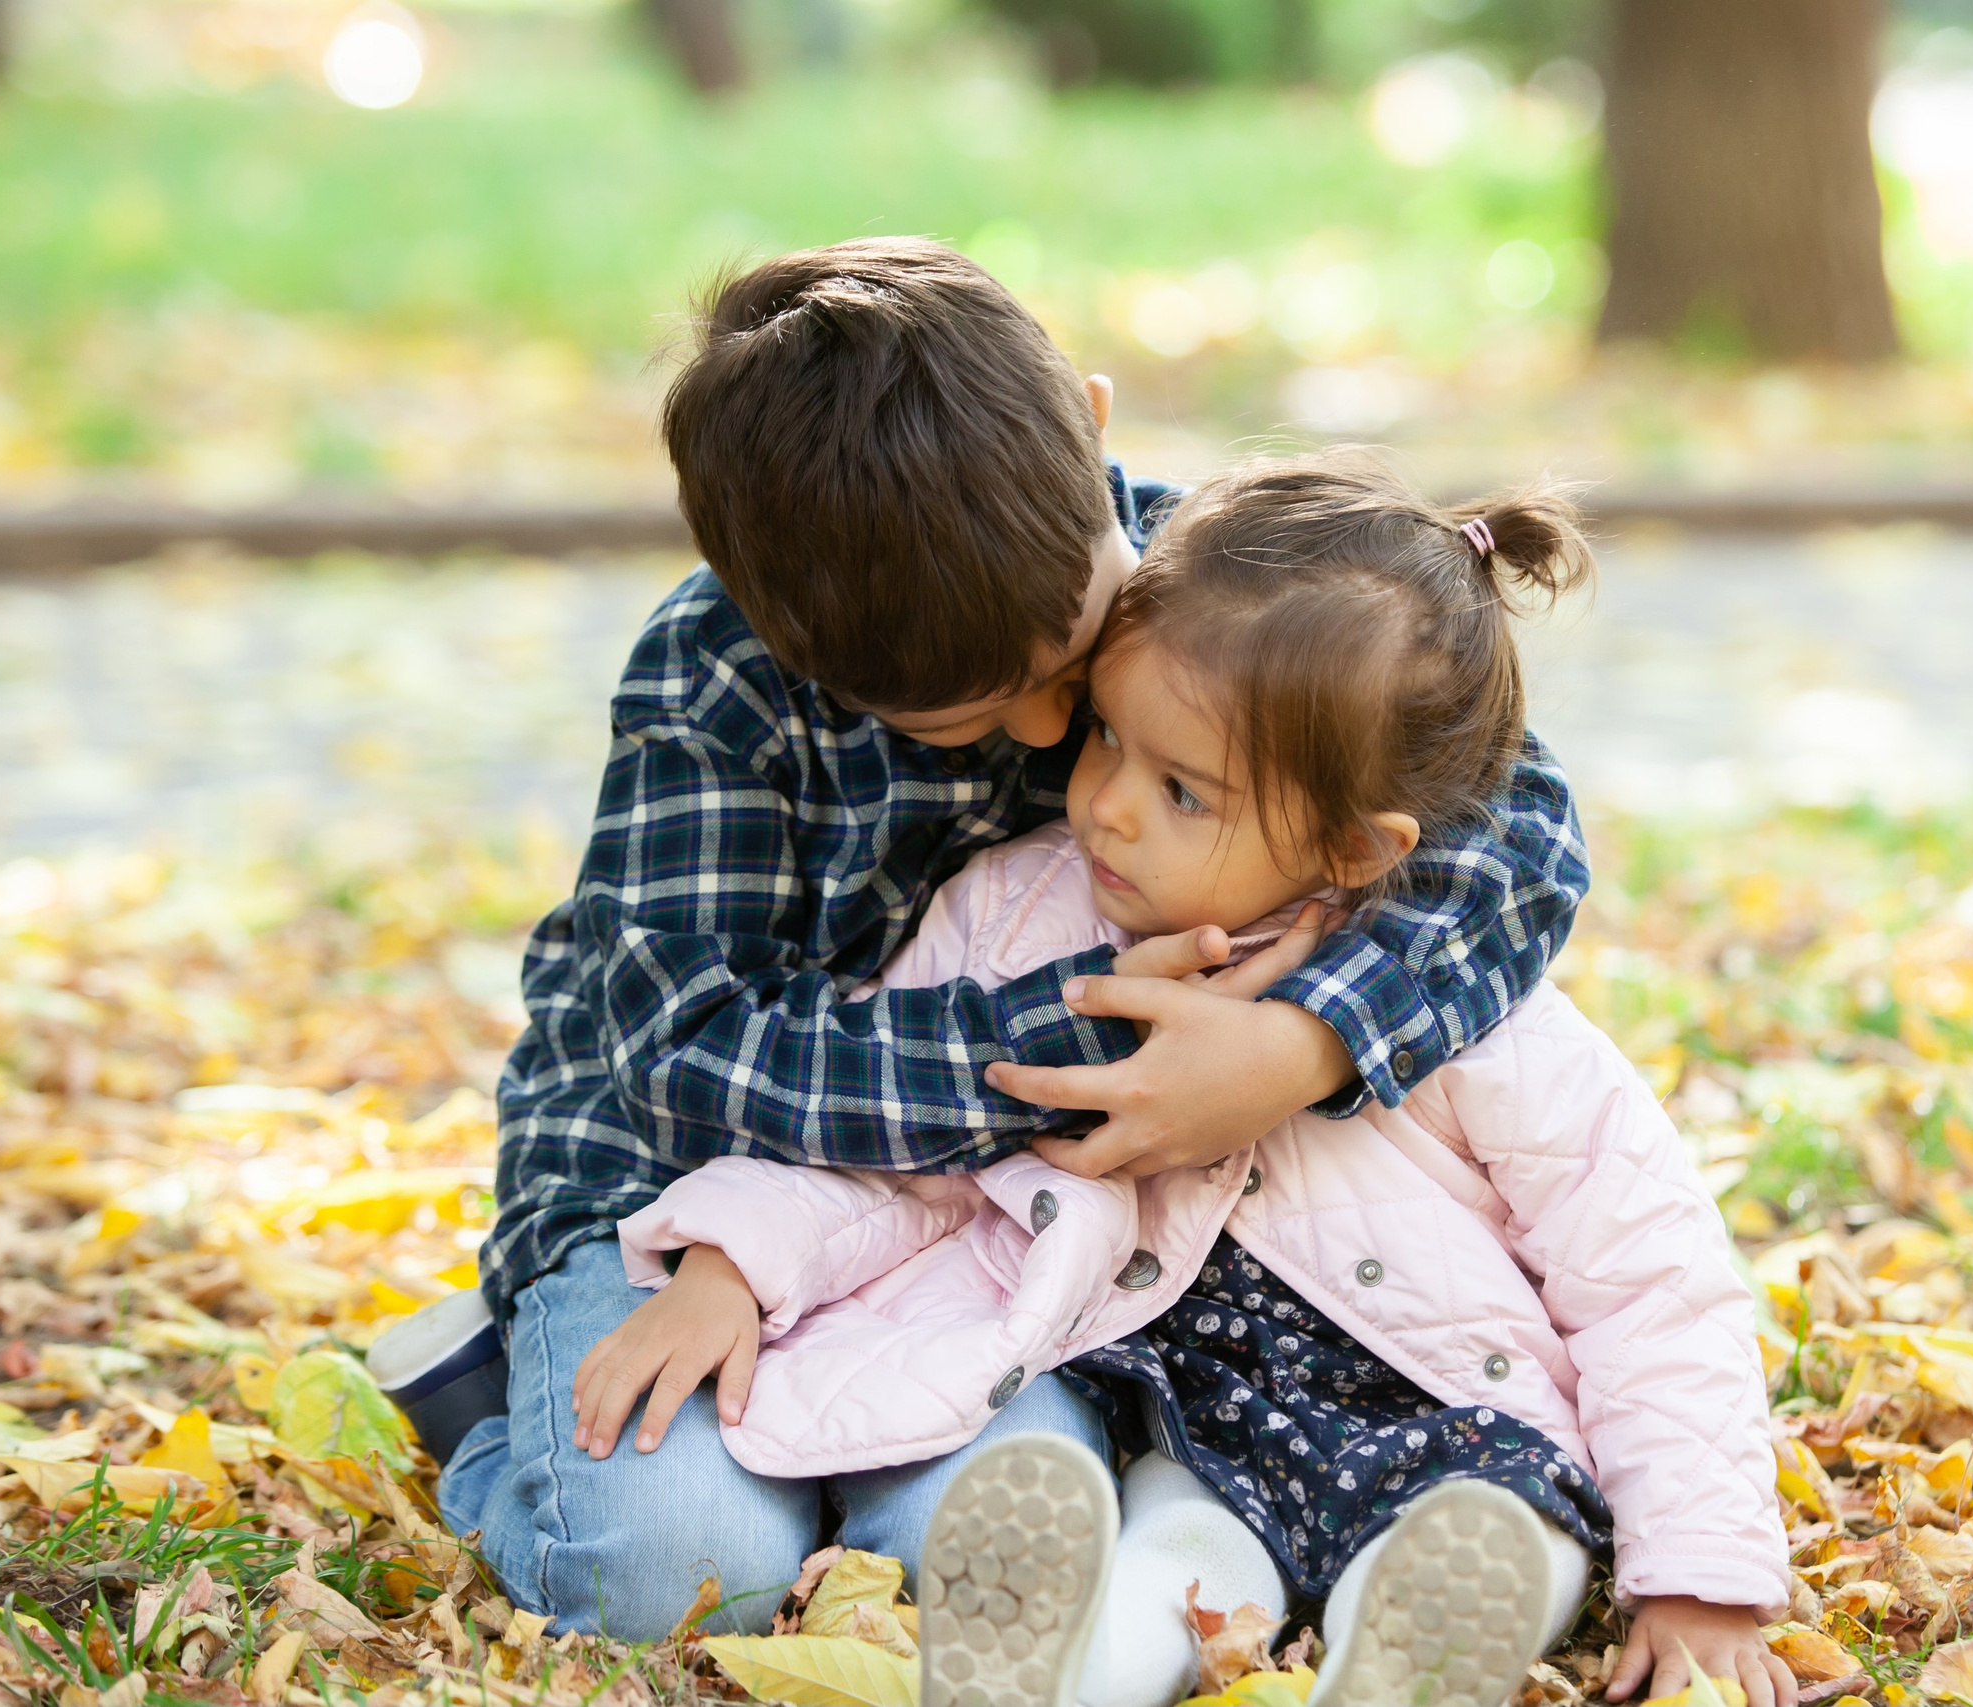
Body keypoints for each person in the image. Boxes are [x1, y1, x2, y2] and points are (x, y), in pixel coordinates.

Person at [370, 239, 1591, 1643]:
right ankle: (497, 1417)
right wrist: (1087, 1035)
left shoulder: (1212, 579)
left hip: (993, 1223)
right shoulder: (714, 676)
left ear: (1091, 424)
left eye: (1068, 671)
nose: (1044, 736)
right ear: (784, 629)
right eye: (958, 716)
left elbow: (1515, 824)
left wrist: (1293, 1041)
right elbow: (686, 1049)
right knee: (682, 1573)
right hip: (687, 1186)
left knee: (987, 1561)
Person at [597, 454, 1794, 1706]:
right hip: (1190, 1420)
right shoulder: (1019, 919)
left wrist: (1701, 1577)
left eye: (1180, 790)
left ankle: (1416, 1650)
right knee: (1173, 1555)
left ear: (1350, 845)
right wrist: (734, 1260)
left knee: (1501, 1534)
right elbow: (899, 1157)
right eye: (1106, 734)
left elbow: (1650, 1275)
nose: (1103, 805)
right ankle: (1047, 1681)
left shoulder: (1462, 1013)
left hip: (1457, 1411)